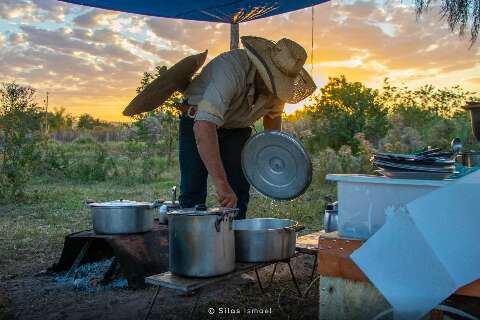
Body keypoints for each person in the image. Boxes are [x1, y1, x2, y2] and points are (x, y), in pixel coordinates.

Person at [175, 36, 316, 219]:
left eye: (280, 84)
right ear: (261, 70)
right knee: (193, 189)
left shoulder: (279, 89)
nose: (276, 90)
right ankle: (190, 243)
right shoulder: (231, 69)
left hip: (237, 127)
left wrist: (273, 163)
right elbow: (204, 126)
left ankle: (235, 242)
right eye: (274, 81)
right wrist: (221, 185)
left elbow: (272, 122)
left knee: (239, 191)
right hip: (198, 120)